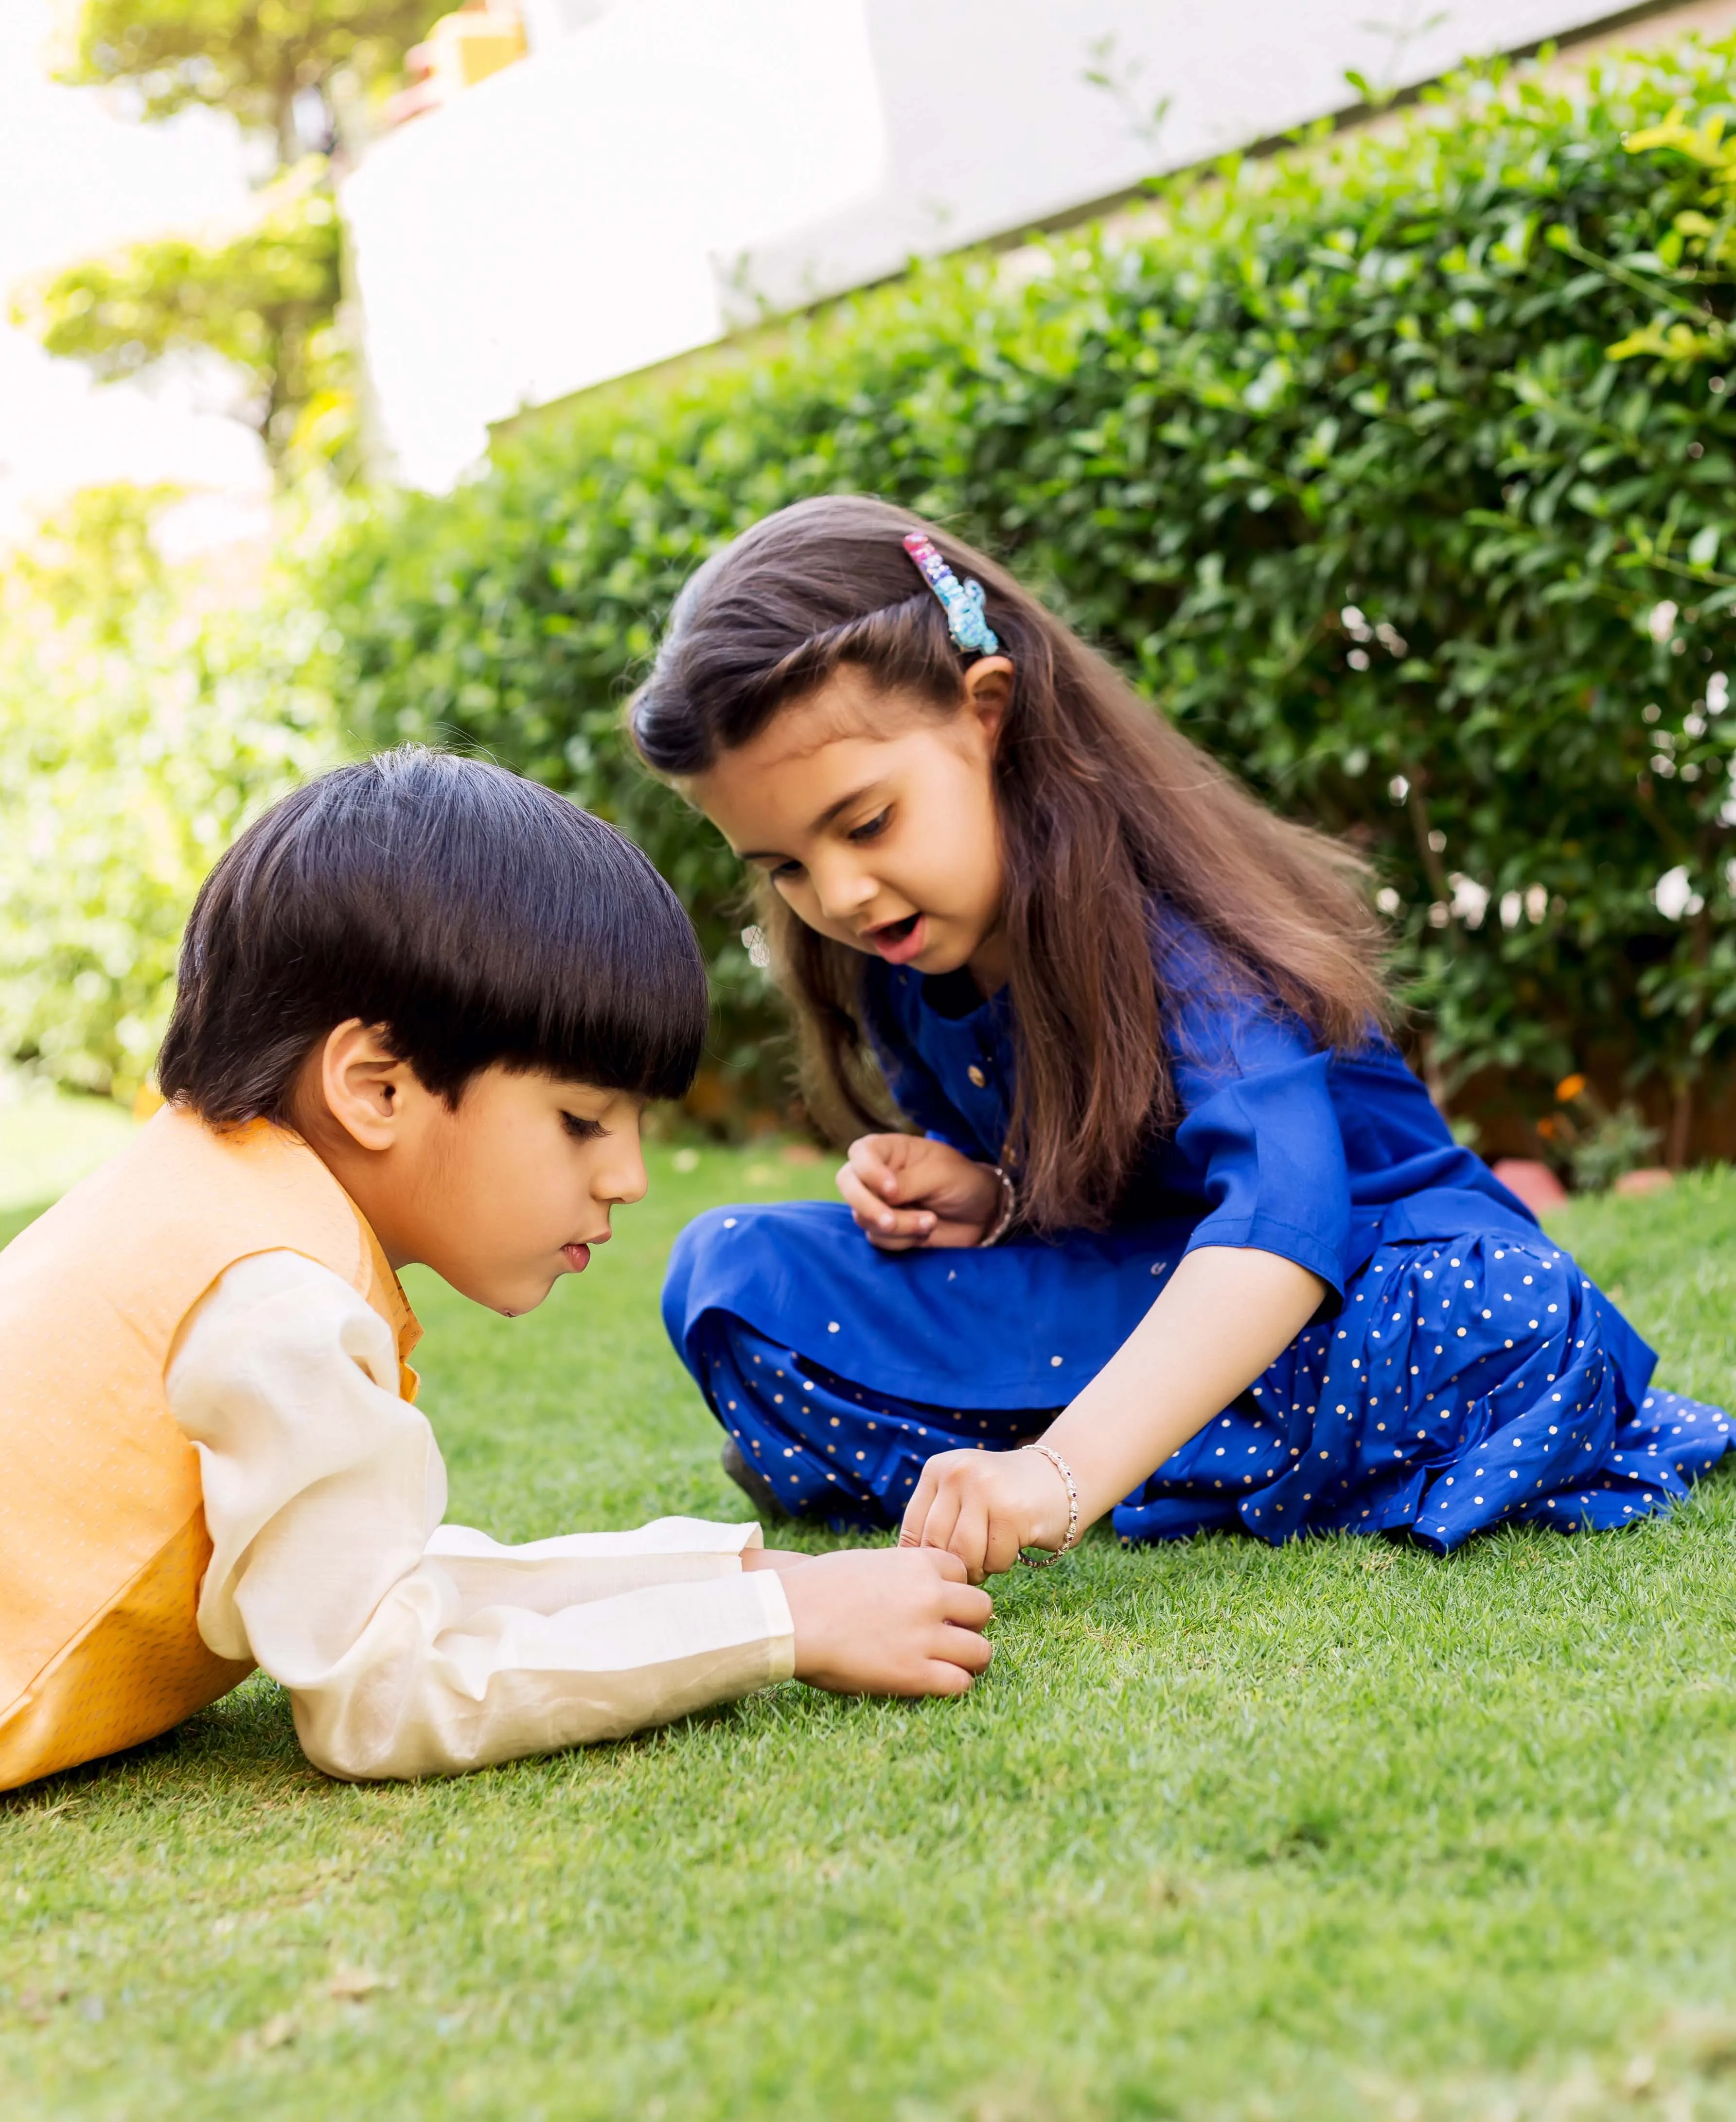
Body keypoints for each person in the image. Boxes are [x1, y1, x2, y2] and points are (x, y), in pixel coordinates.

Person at [631, 495, 1734, 1579]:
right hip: (1145, 1298)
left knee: (1495, 1319)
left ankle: (1056, 1466)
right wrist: (993, 1199)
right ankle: (1151, 1461)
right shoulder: (903, 961)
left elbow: (1283, 1218)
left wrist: (1060, 1471)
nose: (840, 892)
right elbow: (1098, 1224)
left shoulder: (1181, 936)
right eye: (782, 864)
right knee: (734, 1275)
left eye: (866, 823)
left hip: (1354, 1283)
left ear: (989, 711)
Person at [0, 749, 992, 1793]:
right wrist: (773, 1626)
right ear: (376, 1088)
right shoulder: (274, 1298)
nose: (629, 1177)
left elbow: (381, 1580)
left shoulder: (212, 1200)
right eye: (582, 1121)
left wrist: (738, 1574)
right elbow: (381, 1692)